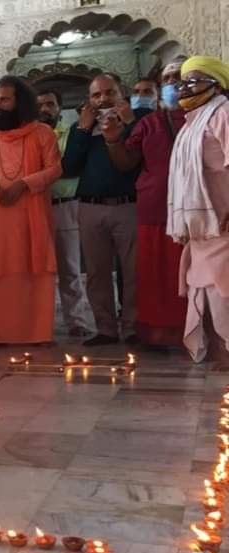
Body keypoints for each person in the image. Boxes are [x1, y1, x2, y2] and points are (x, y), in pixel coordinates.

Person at [101, 59, 189, 348]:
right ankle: (159, 335)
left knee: (195, 275)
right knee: (156, 275)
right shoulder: (149, 123)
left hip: (197, 212)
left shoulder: (210, 118)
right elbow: (127, 163)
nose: (174, 83)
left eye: (180, 76)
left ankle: (202, 333)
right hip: (154, 209)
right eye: (168, 78)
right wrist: (113, 141)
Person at [0, 76, 62, 345]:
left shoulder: (42, 133)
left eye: (5, 99)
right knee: (0, 274)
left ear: (19, 102)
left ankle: (37, 334)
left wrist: (24, 184)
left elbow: (56, 169)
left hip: (31, 214)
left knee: (33, 271)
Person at [62, 74, 146, 346]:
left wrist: (129, 123)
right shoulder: (81, 128)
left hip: (127, 205)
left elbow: (143, 158)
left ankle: (133, 327)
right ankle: (106, 329)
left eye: (109, 92)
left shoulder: (138, 121)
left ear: (122, 93)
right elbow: (70, 167)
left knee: (133, 271)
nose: (103, 99)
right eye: (96, 95)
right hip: (90, 207)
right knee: (97, 272)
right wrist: (84, 130)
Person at [167, 57, 229, 363]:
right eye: (183, 81)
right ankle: (220, 353)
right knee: (204, 289)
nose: (184, 87)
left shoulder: (223, 113)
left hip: (224, 222)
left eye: (194, 80)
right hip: (202, 228)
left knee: (224, 290)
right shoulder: (192, 122)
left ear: (216, 84)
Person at [37, 89, 95, 338]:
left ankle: (77, 322)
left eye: (50, 103)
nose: (45, 109)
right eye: (40, 105)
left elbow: (67, 167)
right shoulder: (27, 136)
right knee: (37, 269)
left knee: (69, 267)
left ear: (59, 108)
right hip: (34, 207)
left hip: (65, 205)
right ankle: (38, 324)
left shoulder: (71, 132)